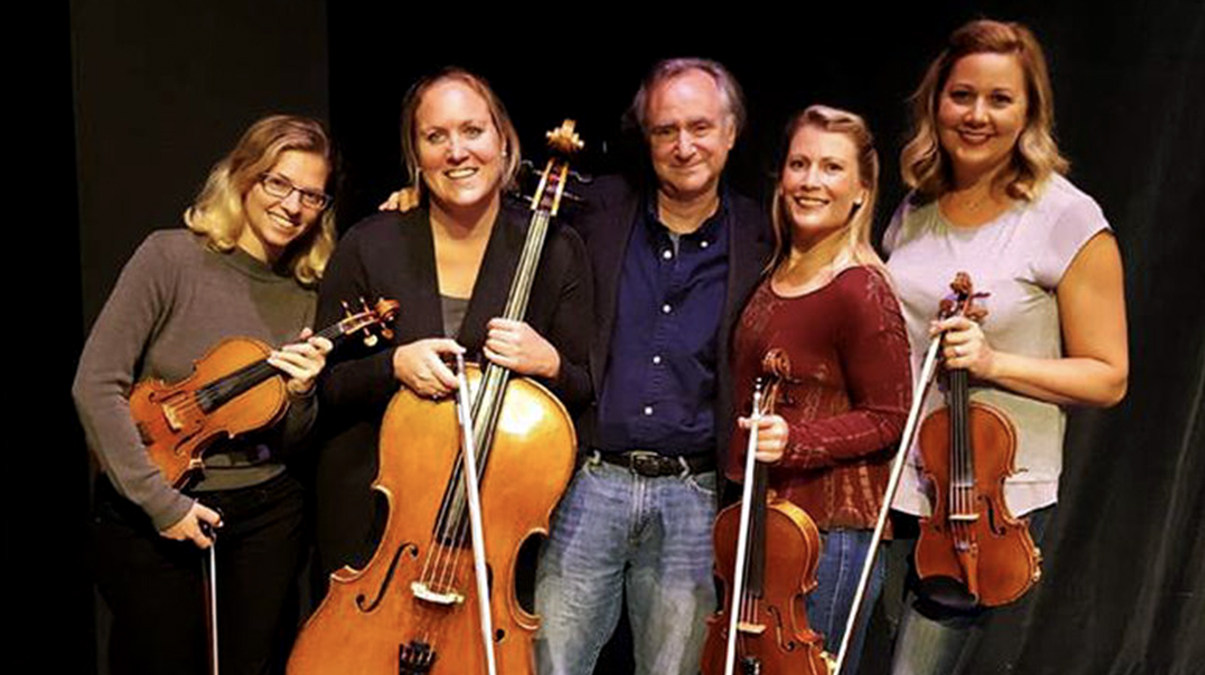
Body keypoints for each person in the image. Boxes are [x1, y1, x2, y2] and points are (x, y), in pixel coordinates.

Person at [883, 19, 1128, 674]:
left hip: (982, 495)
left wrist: (991, 362)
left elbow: (1107, 376)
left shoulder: (1065, 216)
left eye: (999, 99)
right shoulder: (915, 209)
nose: (976, 114)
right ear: (935, 101)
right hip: (897, 486)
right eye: (961, 95)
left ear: (1029, 111)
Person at [74, 114, 338, 675]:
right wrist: (159, 503)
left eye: (311, 196)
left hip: (266, 517)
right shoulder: (170, 257)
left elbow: (291, 440)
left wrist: (302, 393)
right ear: (243, 176)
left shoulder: (308, 293)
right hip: (154, 512)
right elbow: (96, 383)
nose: (292, 206)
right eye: (278, 183)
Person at [533, 58, 772, 675]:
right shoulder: (597, 208)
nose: (684, 145)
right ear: (647, 137)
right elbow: (498, 208)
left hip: (694, 493)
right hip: (592, 479)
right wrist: (414, 199)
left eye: (700, 126)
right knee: (550, 664)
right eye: (666, 130)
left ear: (730, 131)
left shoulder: (765, 233)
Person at [311, 68, 592, 579]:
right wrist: (392, 365)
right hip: (373, 521)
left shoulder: (555, 249)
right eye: (435, 137)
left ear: (503, 141)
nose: (456, 151)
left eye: (472, 131)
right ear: (416, 156)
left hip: (494, 527)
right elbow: (324, 387)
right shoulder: (370, 245)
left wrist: (549, 364)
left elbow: (587, 386)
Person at [727, 105, 911, 673]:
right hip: (768, 520)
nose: (810, 181)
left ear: (860, 191)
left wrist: (798, 440)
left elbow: (891, 415)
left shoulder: (860, 289)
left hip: (830, 536)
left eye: (831, 168)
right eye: (799, 164)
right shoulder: (777, 270)